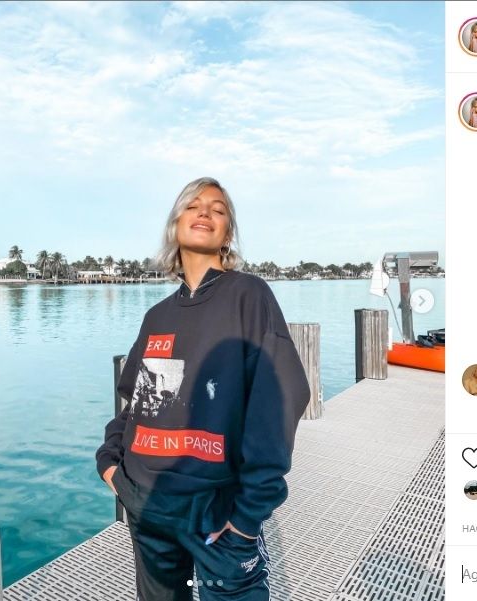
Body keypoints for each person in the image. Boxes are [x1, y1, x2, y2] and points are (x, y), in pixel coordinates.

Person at [96, 177, 311, 600]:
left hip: (217, 513)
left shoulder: (248, 295)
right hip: (148, 506)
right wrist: (111, 465)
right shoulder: (158, 315)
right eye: (193, 205)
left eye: (218, 208)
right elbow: (136, 403)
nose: (205, 212)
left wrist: (247, 517)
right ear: (175, 224)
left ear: (227, 232)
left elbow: (279, 401)